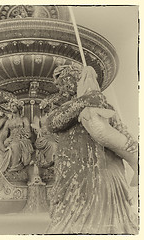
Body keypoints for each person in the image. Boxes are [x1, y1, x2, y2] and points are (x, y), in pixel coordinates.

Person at [42, 65, 138, 234]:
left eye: (68, 80)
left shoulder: (104, 106)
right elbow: (53, 123)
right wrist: (86, 99)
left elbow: (119, 130)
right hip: (75, 172)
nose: (63, 86)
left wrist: (129, 142)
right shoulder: (67, 107)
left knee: (109, 221)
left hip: (104, 170)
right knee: (69, 222)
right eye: (62, 83)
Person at [0, 96, 34, 174]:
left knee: (15, 145)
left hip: (22, 140)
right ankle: (2, 166)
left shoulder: (24, 119)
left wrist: (21, 135)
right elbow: (4, 135)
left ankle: (14, 167)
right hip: (11, 140)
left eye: (13, 106)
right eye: (10, 106)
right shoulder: (8, 122)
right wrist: (3, 142)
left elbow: (28, 133)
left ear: (18, 107)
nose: (11, 107)